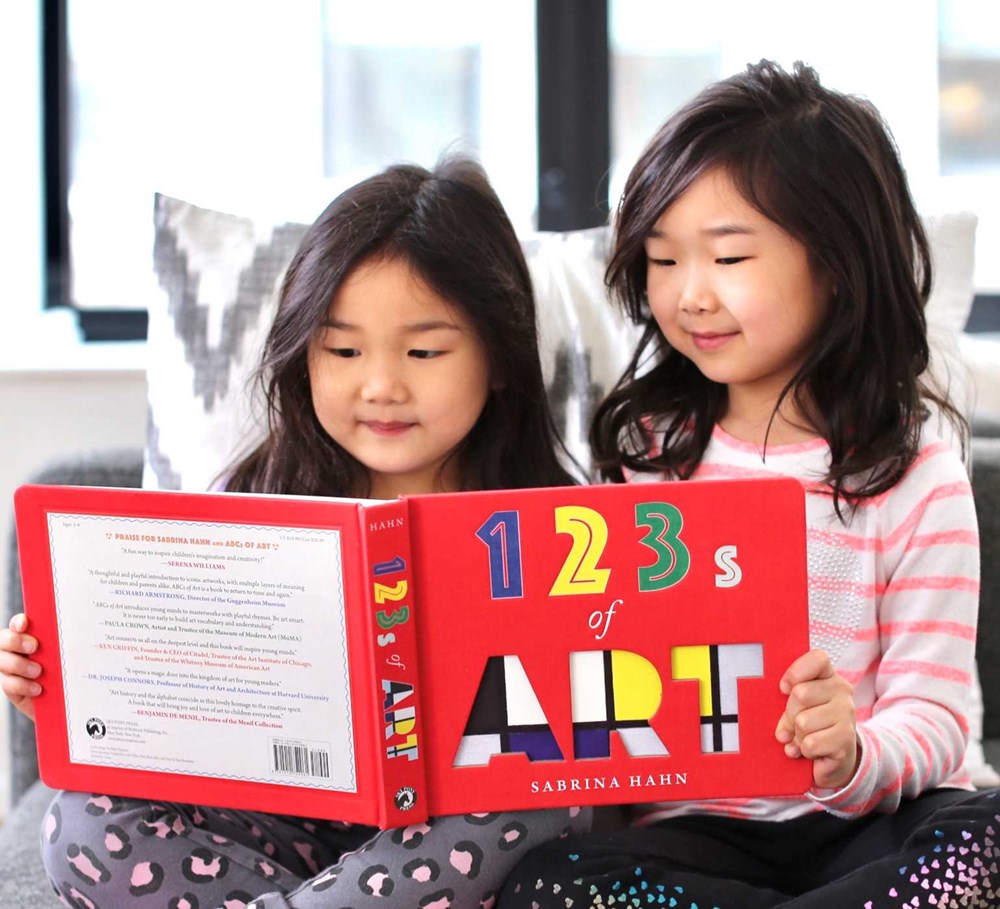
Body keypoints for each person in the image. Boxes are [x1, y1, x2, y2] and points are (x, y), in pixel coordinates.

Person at [0, 157, 590, 909]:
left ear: (499, 358)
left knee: (542, 798)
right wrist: (72, 692)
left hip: (452, 826)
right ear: (304, 354)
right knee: (83, 822)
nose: (381, 385)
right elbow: (180, 705)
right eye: (343, 351)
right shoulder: (255, 501)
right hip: (291, 816)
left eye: (424, 351)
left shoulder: (562, 527)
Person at [496, 60, 995, 908]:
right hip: (701, 829)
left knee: (984, 839)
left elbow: (938, 717)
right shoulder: (649, 456)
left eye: (728, 255)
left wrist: (852, 750)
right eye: (662, 259)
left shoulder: (918, 477)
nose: (689, 295)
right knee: (545, 882)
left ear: (836, 263)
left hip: (869, 819)